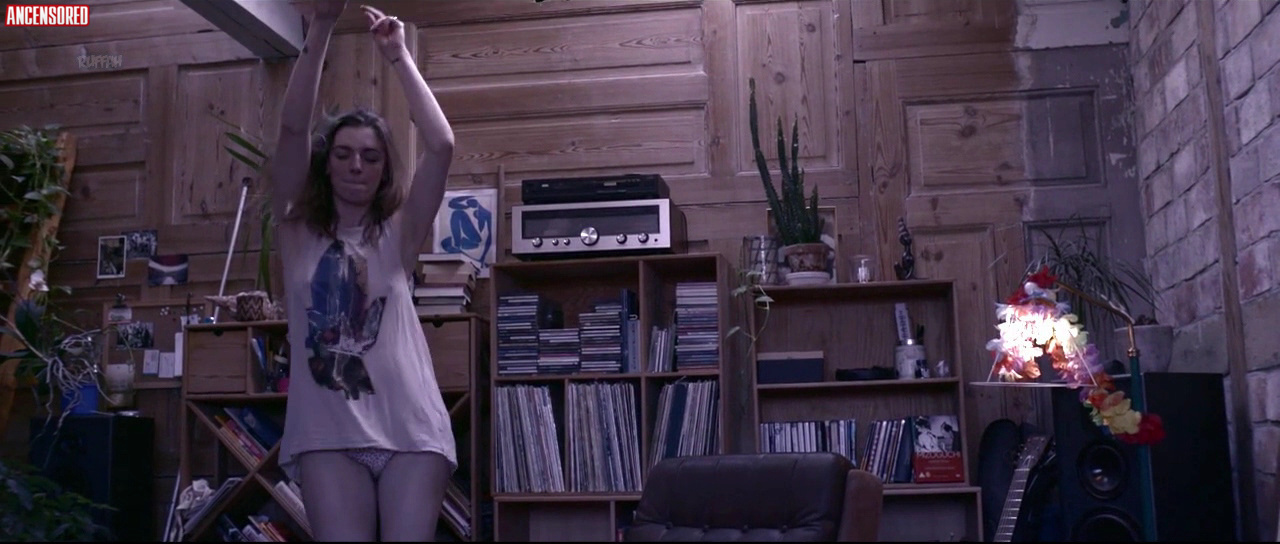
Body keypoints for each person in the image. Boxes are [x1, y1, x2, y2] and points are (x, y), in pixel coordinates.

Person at [268, 1, 457, 541]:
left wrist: (398, 55)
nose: (357, 166)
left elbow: (441, 145)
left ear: (383, 169)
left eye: (371, 158)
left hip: (411, 432)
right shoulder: (296, 228)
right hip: (326, 434)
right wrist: (323, 24)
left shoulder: (400, 232)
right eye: (344, 154)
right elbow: (291, 129)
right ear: (326, 163)